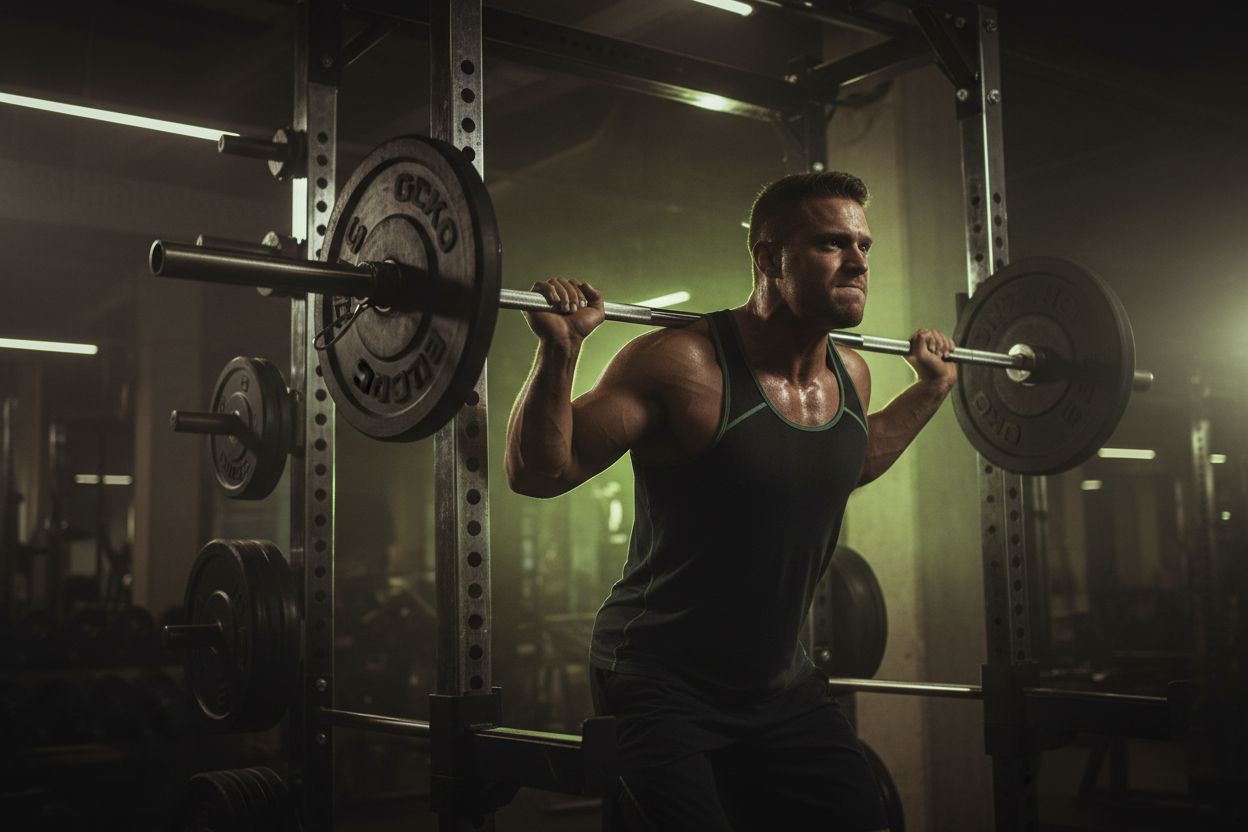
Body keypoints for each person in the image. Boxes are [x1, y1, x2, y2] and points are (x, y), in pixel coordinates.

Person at [505, 171, 957, 831]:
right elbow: (541, 472)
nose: (859, 260)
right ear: (771, 257)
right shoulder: (682, 365)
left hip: (781, 685)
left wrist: (929, 392)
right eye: (833, 243)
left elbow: (845, 460)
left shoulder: (851, 374)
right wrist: (561, 350)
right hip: (662, 680)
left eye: (864, 245)